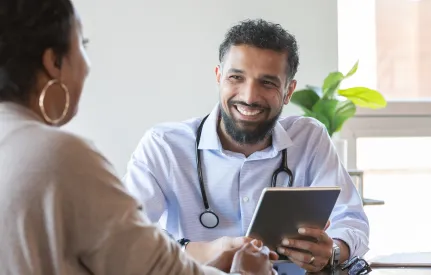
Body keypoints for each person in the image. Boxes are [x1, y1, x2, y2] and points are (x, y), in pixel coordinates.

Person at [0, 0, 277, 274]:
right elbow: (157, 269)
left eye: (267, 82)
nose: (250, 96)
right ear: (53, 61)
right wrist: (246, 272)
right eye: (82, 45)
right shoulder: (62, 156)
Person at [123, 19, 370, 273]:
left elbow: (352, 220)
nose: (249, 96)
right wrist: (200, 251)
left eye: (268, 83)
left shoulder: (309, 138)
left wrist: (333, 250)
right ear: (219, 77)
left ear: (288, 91)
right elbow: (126, 235)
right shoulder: (164, 146)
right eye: (236, 77)